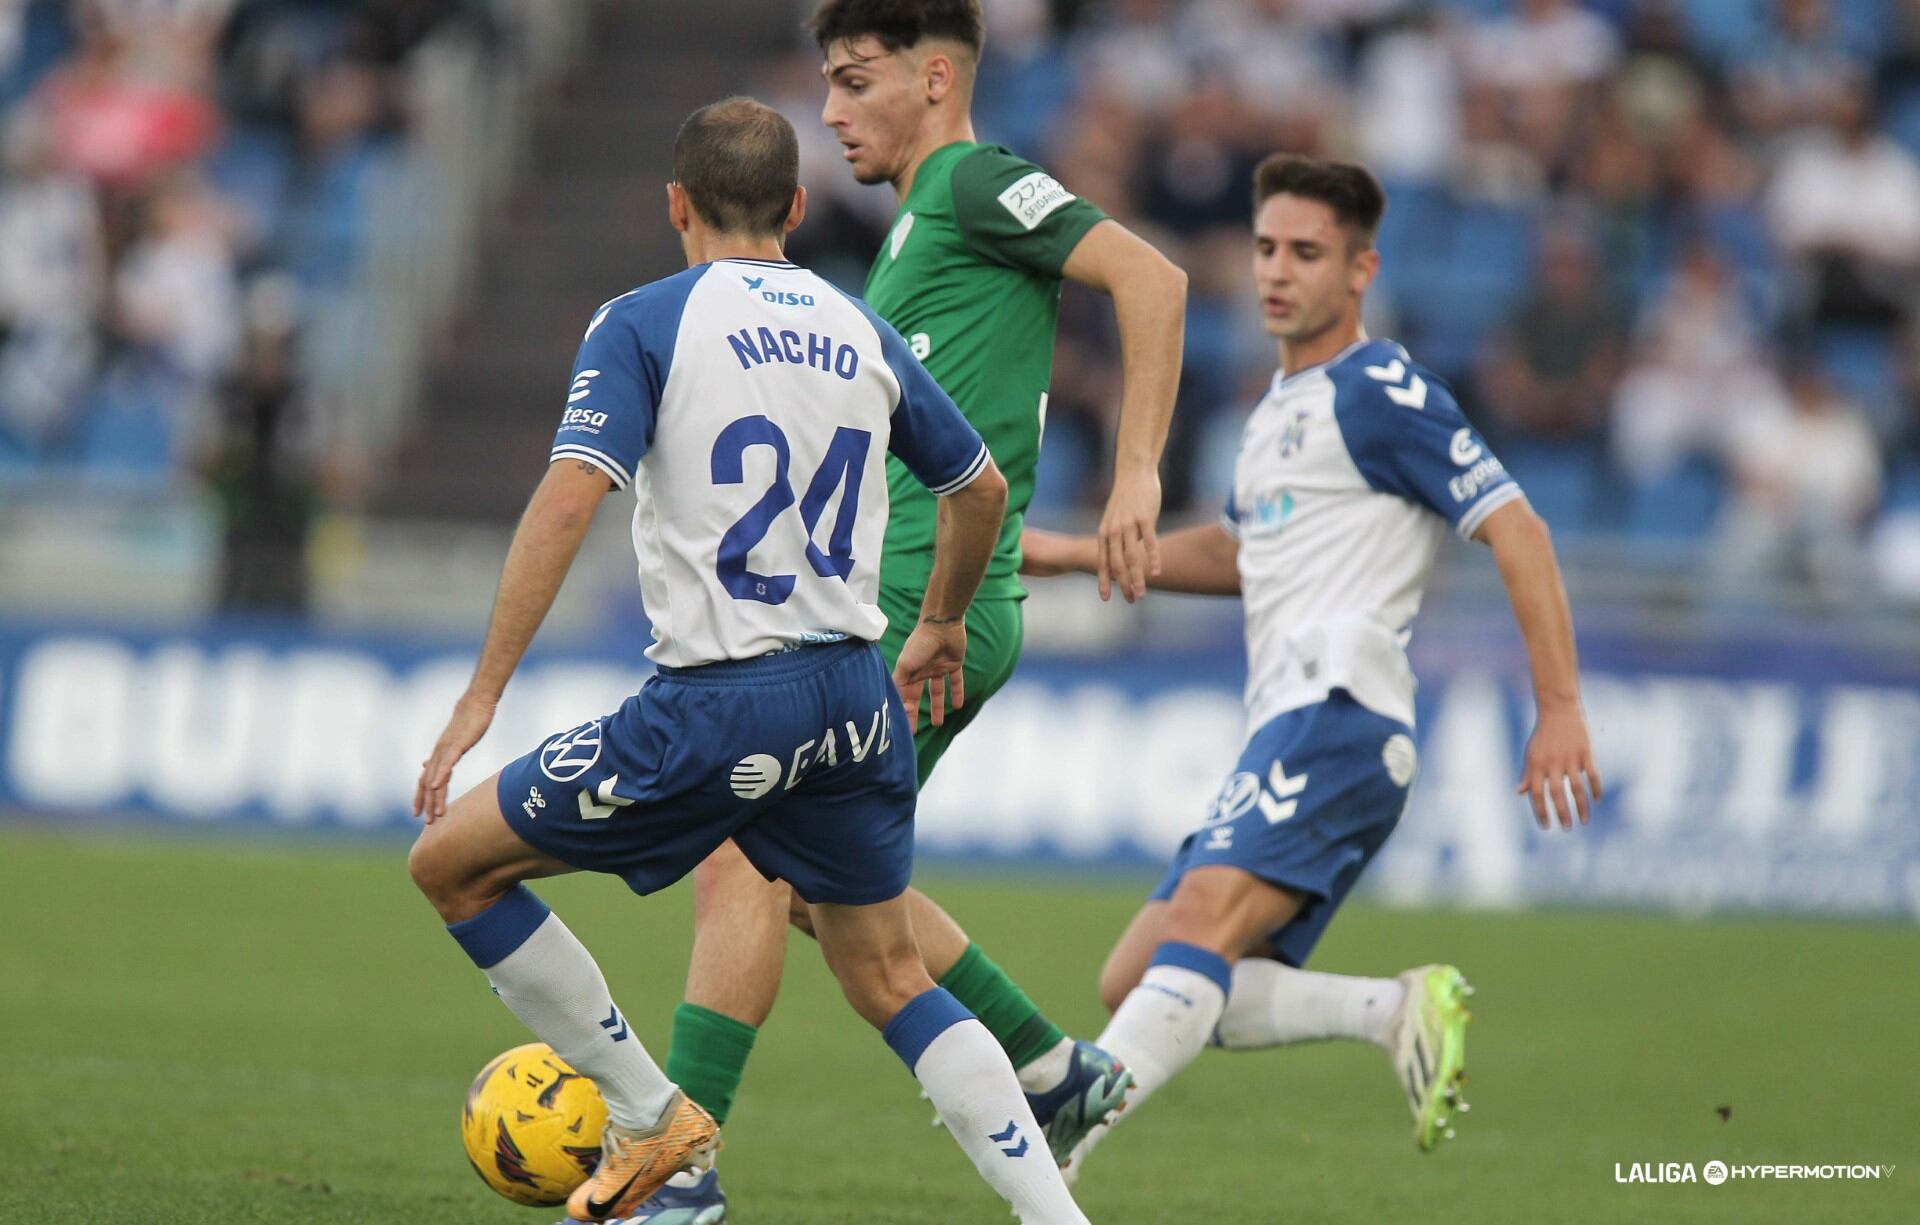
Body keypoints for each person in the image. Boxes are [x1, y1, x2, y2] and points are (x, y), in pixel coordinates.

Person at [407, 97, 1097, 1225]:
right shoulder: (856, 325)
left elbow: (570, 495)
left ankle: (652, 1119)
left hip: (720, 701)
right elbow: (976, 489)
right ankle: (1055, 1218)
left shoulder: (642, 320)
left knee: (452, 864)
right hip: (856, 695)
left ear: (674, 203)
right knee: (888, 975)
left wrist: (483, 692)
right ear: (796, 206)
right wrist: (939, 620)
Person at [624, 4, 1188, 1219]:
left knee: (742, 863)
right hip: (908, 600)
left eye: (854, 81)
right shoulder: (919, 226)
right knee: (835, 901)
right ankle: (1053, 1070)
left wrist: (1138, 470)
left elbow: (1153, 279)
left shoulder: (978, 182)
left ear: (935, 78)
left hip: (925, 609)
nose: (829, 113)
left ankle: (681, 1169)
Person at [1020, 154, 1602, 1178]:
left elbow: (1518, 528)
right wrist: (1071, 552)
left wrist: (1558, 708)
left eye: (1307, 252)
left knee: (1194, 930)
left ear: (1362, 269)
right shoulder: (1274, 411)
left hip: (1343, 707)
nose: (1277, 272)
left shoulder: (1378, 390)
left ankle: (1059, 1140)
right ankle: (1393, 1009)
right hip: (1288, 718)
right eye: (1265, 248)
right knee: (1137, 974)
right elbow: (1246, 554)